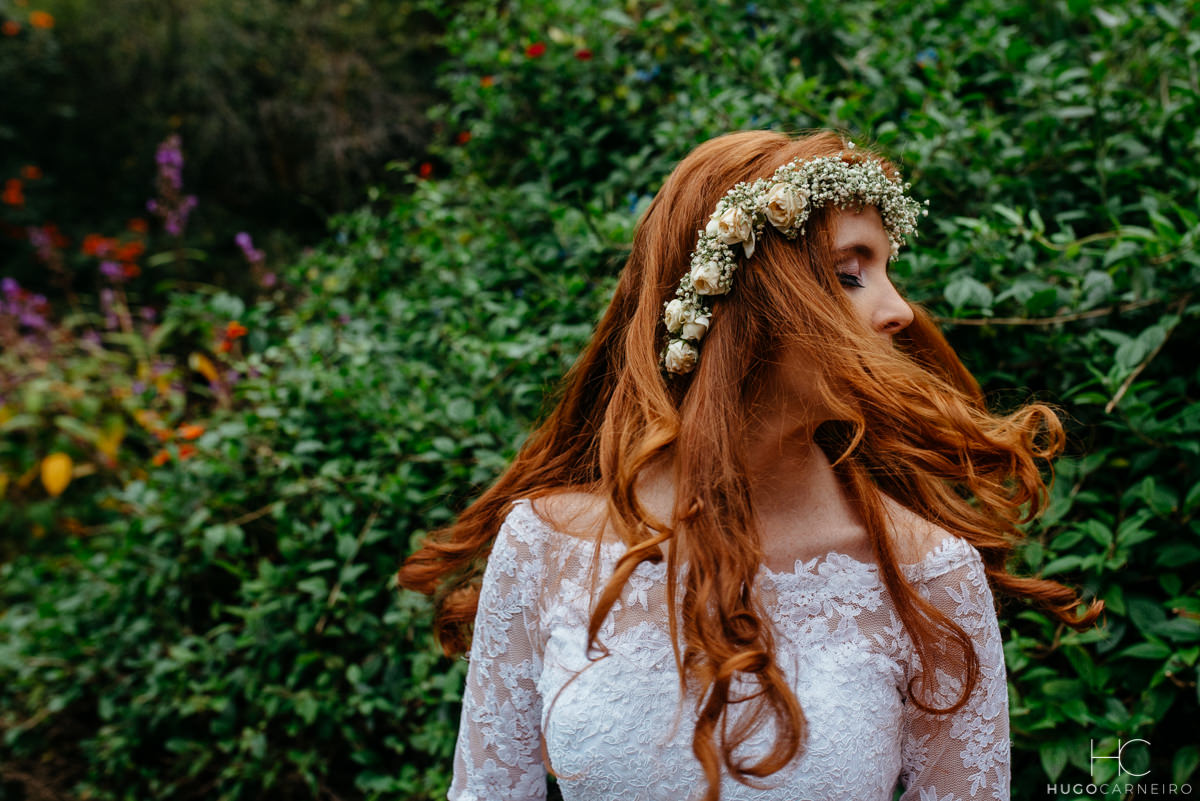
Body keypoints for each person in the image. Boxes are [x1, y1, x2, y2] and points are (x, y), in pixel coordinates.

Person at [397, 130, 1102, 801]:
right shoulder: (545, 546)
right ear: (736, 298)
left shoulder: (929, 573)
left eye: (890, 272)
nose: (900, 311)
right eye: (851, 274)